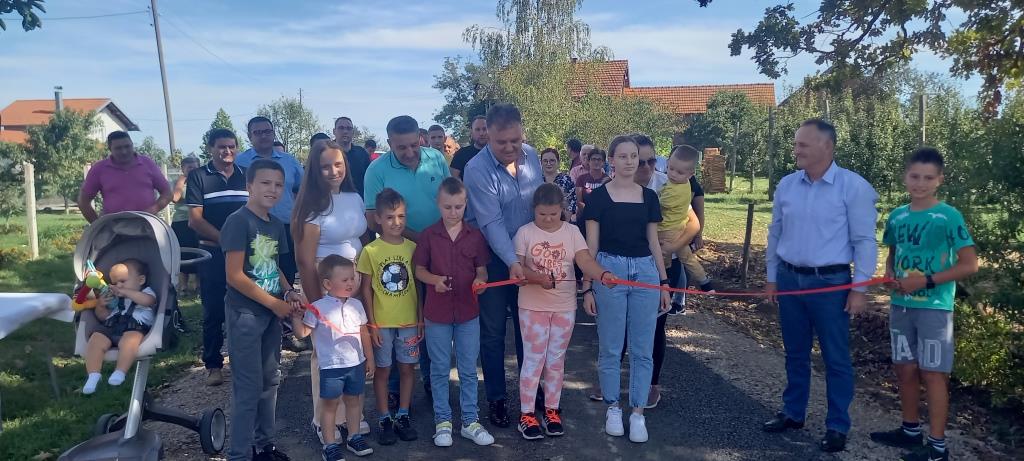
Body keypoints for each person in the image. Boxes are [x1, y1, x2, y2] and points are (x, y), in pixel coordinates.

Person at [763, 119, 878, 453]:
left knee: (835, 356)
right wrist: (771, 278)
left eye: (803, 144)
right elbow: (775, 232)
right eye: (795, 143)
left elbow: (864, 241)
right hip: (789, 279)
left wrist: (860, 288)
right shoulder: (787, 185)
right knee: (795, 352)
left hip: (830, 284)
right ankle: (793, 412)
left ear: (827, 147)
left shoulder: (853, 187)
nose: (795, 150)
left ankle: (837, 425)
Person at [868, 148, 978, 461]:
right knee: (904, 369)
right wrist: (890, 273)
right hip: (901, 306)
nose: (920, 183)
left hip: (934, 308)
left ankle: (938, 447)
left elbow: (970, 264)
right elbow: (894, 253)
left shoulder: (948, 216)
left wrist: (926, 280)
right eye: (915, 176)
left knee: (933, 374)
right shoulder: (897, 216)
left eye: (928, 178)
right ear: (905, 177)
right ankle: (910, 430)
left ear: (939, 180)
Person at [581, 135, 671, 444]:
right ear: (611, 160)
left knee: (643, 349)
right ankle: (612, 408)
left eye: (634, 156)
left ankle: (638, 413)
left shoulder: (649, 198)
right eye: (623, 156)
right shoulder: (597, 198)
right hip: (609, 272)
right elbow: (591, 246)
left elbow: (653, 243)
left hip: (645, 273)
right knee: (610, 346)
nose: (630, 161)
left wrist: (663, 282)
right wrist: (587, 286)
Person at [513, 184, 615, 440]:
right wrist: (537, 278)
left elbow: (585, 261)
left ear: (563, 209)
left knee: (556, 361)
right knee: (534, 360)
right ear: (533, 210)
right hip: (532, 307)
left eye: (553, 214)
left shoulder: (572, 232)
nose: (548, 219)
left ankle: (552, 410)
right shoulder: (525, 232)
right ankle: (526, 414)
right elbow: (516, 270)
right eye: (542, 214)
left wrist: (602, 274)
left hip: (564, 307)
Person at [220, 159, 306, 461]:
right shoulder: (238, 221)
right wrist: (274, 303)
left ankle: (264, 445)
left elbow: (273, 266)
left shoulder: (275, 224)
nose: (273, 189)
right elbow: (234, 275)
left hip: (271, 315)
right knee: (248, 387)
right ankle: (240, 454)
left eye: (279, 184)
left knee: (270, 380)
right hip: (245, 315)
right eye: (266, 183)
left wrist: (288, 291)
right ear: (249, 186)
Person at [463, 103, 543, 428]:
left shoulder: (532, 156)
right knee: (494, 332)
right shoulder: (476, 169)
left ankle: (531, 393)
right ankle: (496, 398)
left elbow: (538, 204)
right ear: (488, 136)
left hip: (528, 257)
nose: (510, 148)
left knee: (529, 329)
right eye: (501, 142)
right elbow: (491, 223)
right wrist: (512, 261)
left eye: (515, 140)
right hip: (492, 260)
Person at [363, 115, 450, 402]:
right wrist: (418, 238)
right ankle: (395, 389)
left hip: (439, 252)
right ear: (389, 143)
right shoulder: (376, 170)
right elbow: (372, 219)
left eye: (414, 144)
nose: (410, 152)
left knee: (431, 318)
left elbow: (449, 199)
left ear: (420, 138)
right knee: (400, 315)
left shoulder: (436, 158)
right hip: (399, 254)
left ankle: (431, 379)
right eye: (402, 148)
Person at [292, 140, 371, 444]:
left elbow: (363, 236)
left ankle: (353, 417)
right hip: (325, 282)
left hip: (354, 279)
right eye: (325, 166)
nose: (333, 171)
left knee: (353, 348)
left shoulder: (354, 197)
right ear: (315, 170)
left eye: (338, 164)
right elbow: (304, 260)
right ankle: (324, 419)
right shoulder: (313, 206)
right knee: (326, 353)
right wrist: (317, 304)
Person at [412, 177, 495, 447]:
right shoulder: (428, 235)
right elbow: (419, 270)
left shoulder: (475, 236)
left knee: (468, 369)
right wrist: (434, 280)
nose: (453, 212)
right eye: (447, 207)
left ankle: (470, 421)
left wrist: (480, 282)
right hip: (437, 314)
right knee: (439, 369)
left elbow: (482, 271)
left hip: (468, 313)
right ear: (438, 204)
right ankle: (443, 422)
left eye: (458, 207)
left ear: (465, 204)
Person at [292, 255, 375, 460]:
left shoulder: (357, 305)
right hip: (331, 367)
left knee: (354, 401)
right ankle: (329, 445)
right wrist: (295, 318)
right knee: (330, 405)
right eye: (344, 280)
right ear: (328, 284)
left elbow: (364, 333)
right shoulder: (318, 307)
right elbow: (302, 333)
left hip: (355, 364)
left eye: (352, 278)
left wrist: (370, 358)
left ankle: (354, 437)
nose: (350, 283)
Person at [357, 188, 421, 446]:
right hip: (382, 323)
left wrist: (420, 317)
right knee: (383, 370)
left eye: (401, 216)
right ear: (378, 219)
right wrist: (371, 323)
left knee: (407, 369)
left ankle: (403, 415)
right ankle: (384, 418)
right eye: (390, 217)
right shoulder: (370, 251)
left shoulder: (413, 248)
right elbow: (365, 289)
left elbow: (418, 284)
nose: (396, 222)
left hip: (408, 321)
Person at [186, 128, 249, 386]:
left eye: (232, 146)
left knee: (246, 307)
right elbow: (195, 220)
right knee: (213, 310)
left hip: (244, 253)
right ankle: (213, 364)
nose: (227, 151)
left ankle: (243, 361)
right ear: (210, 148)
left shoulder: (246, 175)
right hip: (212, 252)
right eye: (222, 146)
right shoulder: (199, 177)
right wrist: (226, 240)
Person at [236, 116, 304, 286]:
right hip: (253, 227)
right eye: (258, 132)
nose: (263, 136)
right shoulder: (239, 162)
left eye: (267, 131)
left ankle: (286, 301)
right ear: (249, 136)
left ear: (273, 133)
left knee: (287, 272)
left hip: (286, 227)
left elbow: (302, 190)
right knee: (259, 275)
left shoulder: (289, 161)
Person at [82, 259, 157, 395]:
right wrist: (101, 305)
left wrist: (127, 292)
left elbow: (148, 301)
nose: (118, 286)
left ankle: (120, 371)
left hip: (135, 326)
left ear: (141, 280)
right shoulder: (115, 298)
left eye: (123, 281)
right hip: (112, 324)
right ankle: (93, 375)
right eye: (115, 283)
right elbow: (103, 317)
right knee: (95, 339)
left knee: (130, 341)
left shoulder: (146, 292)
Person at [658, 145, 710, 315]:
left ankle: (670, 289)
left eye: (679, 172)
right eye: (670, 168)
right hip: (677, 227)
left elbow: (660, 203)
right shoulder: (681, 183)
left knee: (672, 258)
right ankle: (704, 282)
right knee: (686, 258)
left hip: (669, 230)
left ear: (690, 174)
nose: (673, 174)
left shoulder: (675, 188)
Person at [78, 131, 172, 223]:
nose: (124, 151)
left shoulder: (147, 163)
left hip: (147, 224)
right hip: (113, 228)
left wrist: (152, 210)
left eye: (127, 146)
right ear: (110, 149)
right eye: (118, 148)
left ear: (132, 145)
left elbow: (167, 193)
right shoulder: (99, 169)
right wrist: (98, 225)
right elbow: (83, 201)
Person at [172, 156, 201, 295]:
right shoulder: (177, 182)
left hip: (198, 220)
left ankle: (198, 284)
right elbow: (175, 198)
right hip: (181, 222)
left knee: (199, 251)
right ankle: (183, 285)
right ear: (182, 169)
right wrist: (181, 182)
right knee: (183, 253)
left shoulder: (202, 181)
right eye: (189, 168)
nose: (192, 170)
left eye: (195, 167)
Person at [333, 116, 373, 198]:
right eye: (341, 128)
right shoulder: (326, 154)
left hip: (359, 202)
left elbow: (369, 180)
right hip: (332, 201)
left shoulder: (362, 154)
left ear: (353, 132)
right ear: (334, 131)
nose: (345, 131)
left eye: (349, 128)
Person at [539, 148, 577, 222]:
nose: (548, 163)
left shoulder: (566, 180)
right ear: (541, 162)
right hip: (540, 221)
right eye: (545, 161)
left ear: (558, 162)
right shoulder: (536, 180)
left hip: (563, 221)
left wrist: (564, 223)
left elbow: (572, 204)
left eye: (552, 160)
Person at [574, 147, 608, 214]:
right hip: (585, 215)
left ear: (603, 162)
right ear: (588, 161)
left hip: (604, 215)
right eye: (593, 159)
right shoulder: (581, 179)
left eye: (599, 159)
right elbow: (579, 202)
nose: (596, 162)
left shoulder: (608, 180)